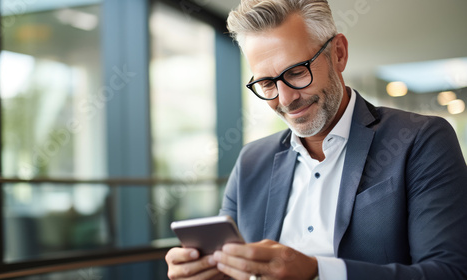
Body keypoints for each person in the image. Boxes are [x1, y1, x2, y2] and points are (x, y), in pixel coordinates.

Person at [165, 0, 467, 279]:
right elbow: (232, 263)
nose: (286, 99)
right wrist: (207, 269)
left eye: (297, 72)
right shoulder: (251, 161)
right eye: (267, 83)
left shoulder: (420, 140)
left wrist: (317, 271)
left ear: (339, 53)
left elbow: (448, 271)